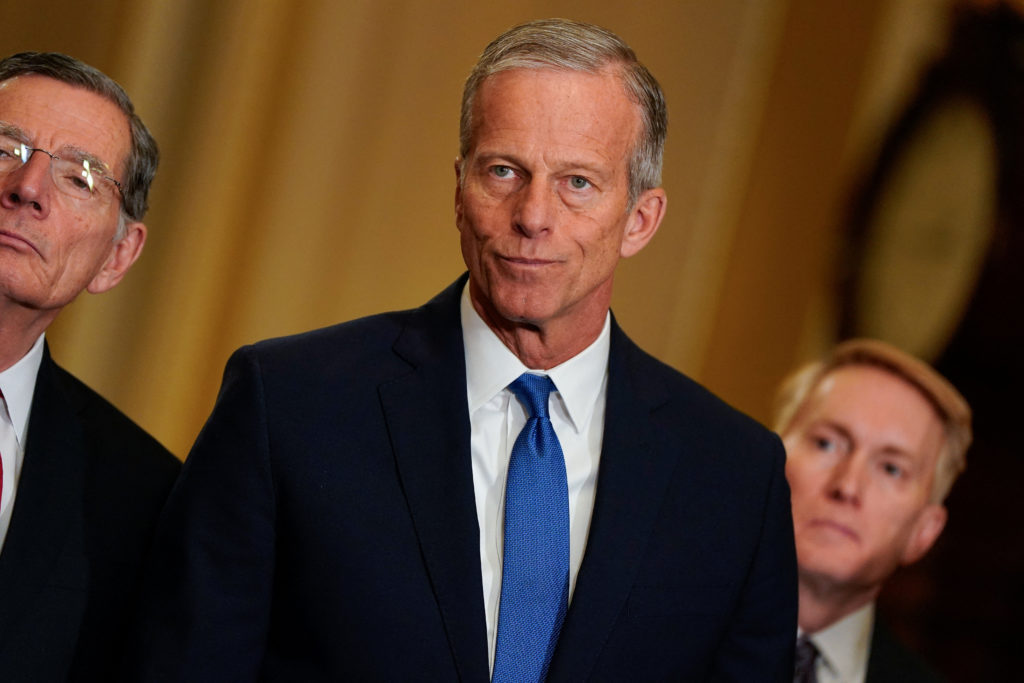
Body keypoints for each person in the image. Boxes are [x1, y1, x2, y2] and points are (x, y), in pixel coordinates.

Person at [132, 19, 796, 681]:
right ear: (459, 190)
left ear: (640, 220)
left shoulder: (736, 479)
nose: (533, 216)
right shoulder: (291, 402)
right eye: (504, 171)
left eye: (578, 183)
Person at [0, 52, 180, 680]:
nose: (27, 188)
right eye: (4, 150)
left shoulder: (144, 497)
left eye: (80, 178)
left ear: (117, 256)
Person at [774, 338, 971, 682]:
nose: (848, 486)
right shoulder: (670, 616)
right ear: (768, 460)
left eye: (891, 469)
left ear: (924, 532)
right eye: (826, 443)